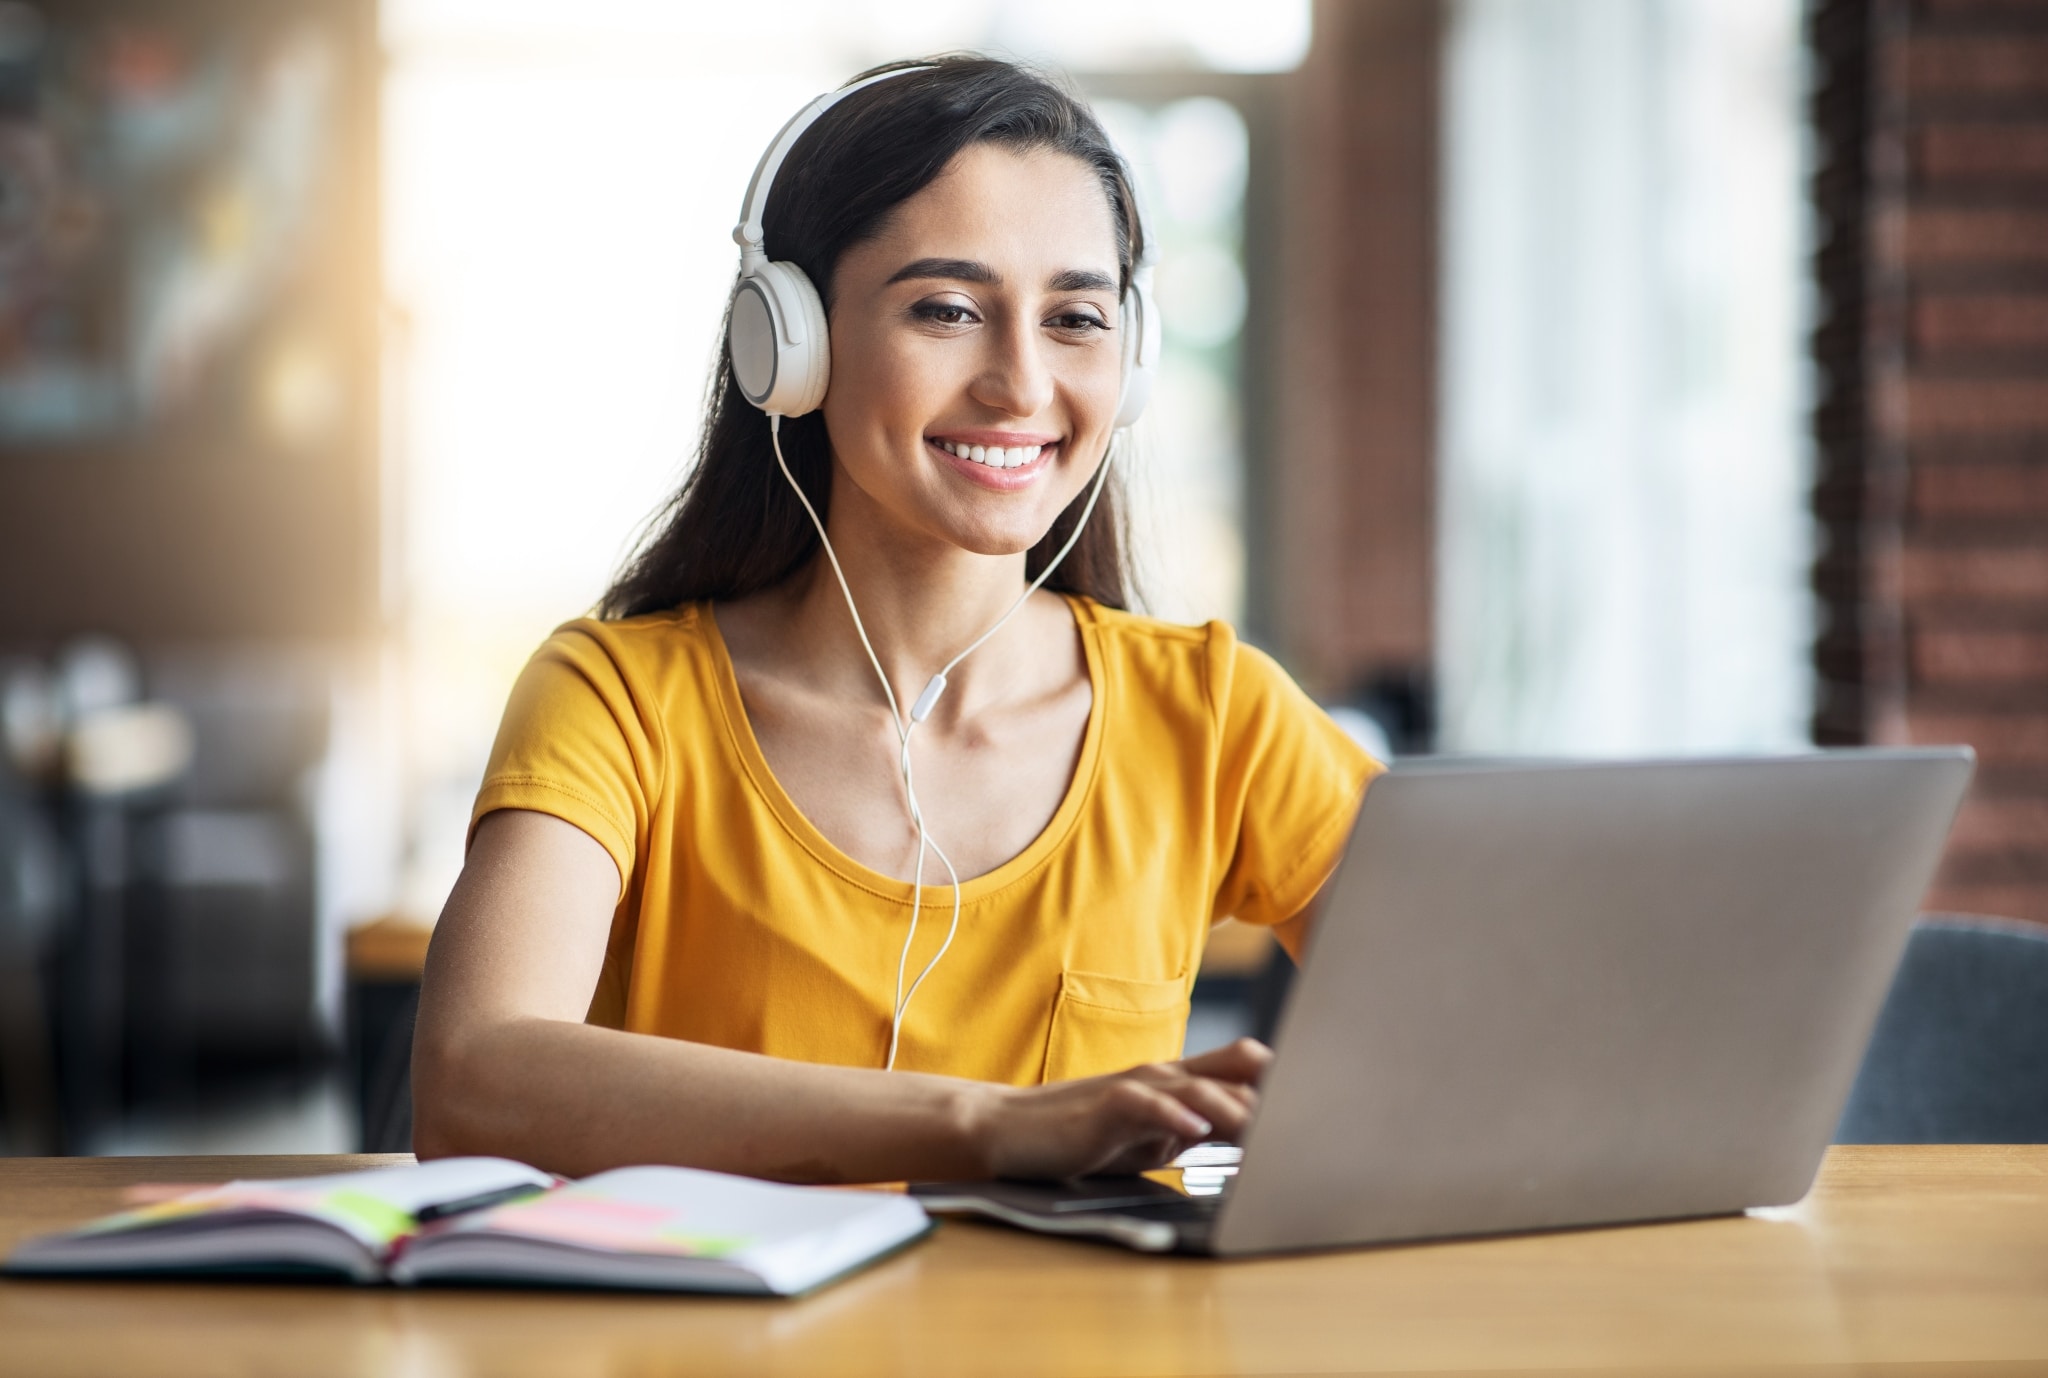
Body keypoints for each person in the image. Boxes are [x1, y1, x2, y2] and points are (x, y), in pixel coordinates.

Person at [411, 56, 1379, 1185]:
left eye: (1075, 316)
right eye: (947, 309)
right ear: (790, 344)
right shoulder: (620, 698)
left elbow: (1496, 1020)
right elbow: (475, 1079)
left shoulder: (1215, 716)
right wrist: (988, 1125)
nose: (1020, 383)